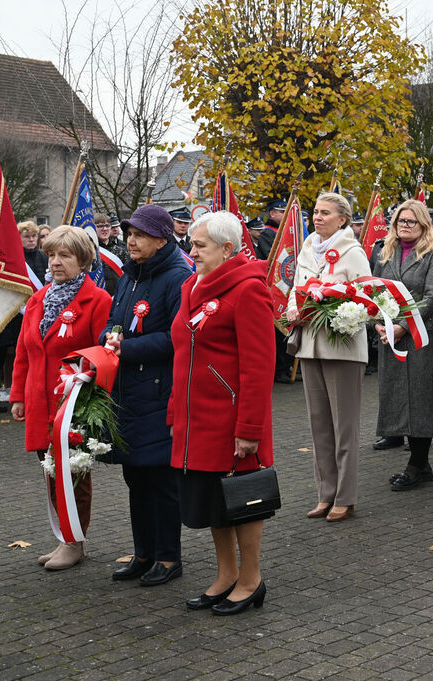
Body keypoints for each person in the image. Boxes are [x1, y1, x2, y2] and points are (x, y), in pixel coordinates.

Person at [168, 210, 276, 615]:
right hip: (197, 419)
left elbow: (259, 364)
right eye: (192, 244)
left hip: (234, 420)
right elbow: (184, 353)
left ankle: (251, 579)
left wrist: (249, 427)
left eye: (200, 245)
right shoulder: (191, 285)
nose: (191, 251)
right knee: (213, 499)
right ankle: (226, 574)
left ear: (227, 249)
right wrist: (175, 410)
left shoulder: (248, 290)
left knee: (243, 501)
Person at [10, 226, 112, 570]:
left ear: (82, 260)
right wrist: (18, 396)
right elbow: (24, 353)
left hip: (74, 404)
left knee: (74, 474)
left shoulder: (98, 300)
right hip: (40, 402)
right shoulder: (38, 299)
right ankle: (63, 538)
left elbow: (104, 353)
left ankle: (74, 541)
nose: (55, 262)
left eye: (65, 255)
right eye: (52, 254)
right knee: (50, 472)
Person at [102, 204, 192, 586]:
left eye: (139, 235)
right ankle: (143, 552)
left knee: (159, 481)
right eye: (129, 234)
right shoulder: (129, 275)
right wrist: (109, 336)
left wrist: (129, 349)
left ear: (160, 239)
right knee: (134, 477)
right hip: (127, 392)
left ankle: (169, 558)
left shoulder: (178, 276)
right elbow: (116, 318)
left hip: (158, 391)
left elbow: (179, 336)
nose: (131, 241)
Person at [287, 192, 370, 522]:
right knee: (319, 424)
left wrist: (335, 313)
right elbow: (296, 288)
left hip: (343, 347)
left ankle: (345, 497)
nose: (317, 217)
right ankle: (325, 494)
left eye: (325, 213)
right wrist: (294, 311)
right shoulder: (308, 247)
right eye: (315, 212)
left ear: (343, 219)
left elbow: (367, 300)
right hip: (309, 344)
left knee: (343, 426)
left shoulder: (353, 253)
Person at [369, 200, 433, 491]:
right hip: (389, 336)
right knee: (397, 397)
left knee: (419, 398)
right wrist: (377, 322)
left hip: (419, 336)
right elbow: (373, 290)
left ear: (423, 224)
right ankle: (422, 465)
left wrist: (404, 325)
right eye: (400, 220)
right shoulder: (383, 251)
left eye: (411, 221)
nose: (404, 225)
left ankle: (416, 464)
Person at [96, 214, 130, 296]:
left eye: (107, 226)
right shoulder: (90, 252)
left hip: (119, 296)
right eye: (100, 226)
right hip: (100, 298)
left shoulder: (121, 251)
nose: (105, 229)